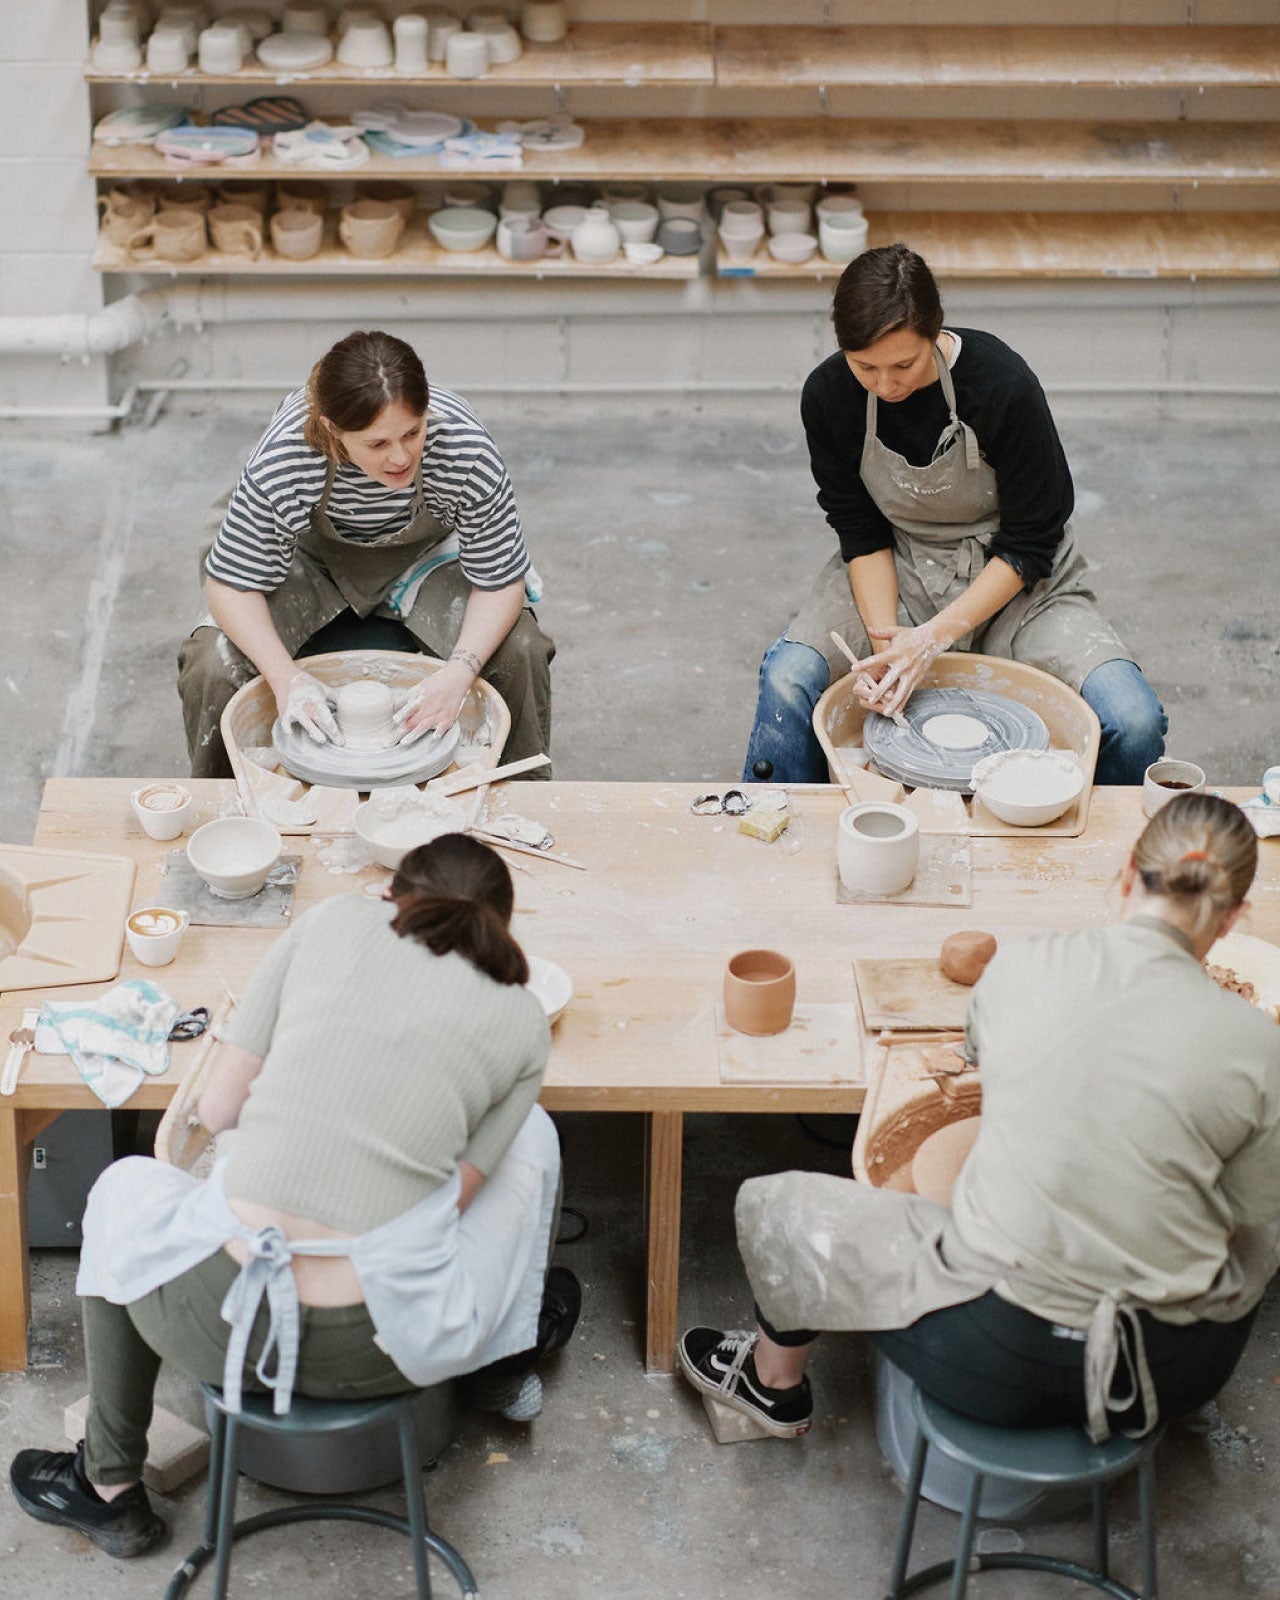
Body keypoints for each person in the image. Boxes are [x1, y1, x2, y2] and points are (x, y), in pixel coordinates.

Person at [9, 834, 578, 1558]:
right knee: (531, 1138)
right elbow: (457, 1202)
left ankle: (109, 1486)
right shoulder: (523, 1018)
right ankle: (500, 1367)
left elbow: (216, 1113)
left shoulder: (333, 920)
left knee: (123, 1190)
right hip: (389, 1351)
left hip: (219, 1324)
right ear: (496, 930)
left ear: (391, 896)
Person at [680, 794, 1280, 1445]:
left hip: (994, 1360)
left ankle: (771, 1387)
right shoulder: (1259, 1043)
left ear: (1128, 872)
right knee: (1259, 1222)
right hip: (1172, 1370)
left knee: (782, 1203)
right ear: (1234, 919)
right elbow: (1248, 1210)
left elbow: (986, 1073)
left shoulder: (1023, 967)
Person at [743, 244, 1166, 787]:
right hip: (901, 565)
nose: (886, 385)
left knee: (1132, 719)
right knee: (788, 678)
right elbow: (860, 531)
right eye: (865, 366)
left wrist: (935, 638)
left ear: (935, 333)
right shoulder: (828, 395)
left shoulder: (1001, 385)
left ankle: (1108, 861)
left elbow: (1032, 538)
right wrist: (887, 650)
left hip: (1018, 582)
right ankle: (772, 832)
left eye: (904, 364)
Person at [178, 329, 554, 779]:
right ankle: (231, 823)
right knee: (212, 663)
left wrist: (458, 675)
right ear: (334, 429)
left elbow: (499, 581)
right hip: (309, 562)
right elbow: (231, 587)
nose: (401, 456)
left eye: (413, 432)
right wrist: (286, 679)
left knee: (521, 649)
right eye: (377, 443)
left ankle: (516, 806)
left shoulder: (464, 450)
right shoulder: (288, 455)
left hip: (425, 563)